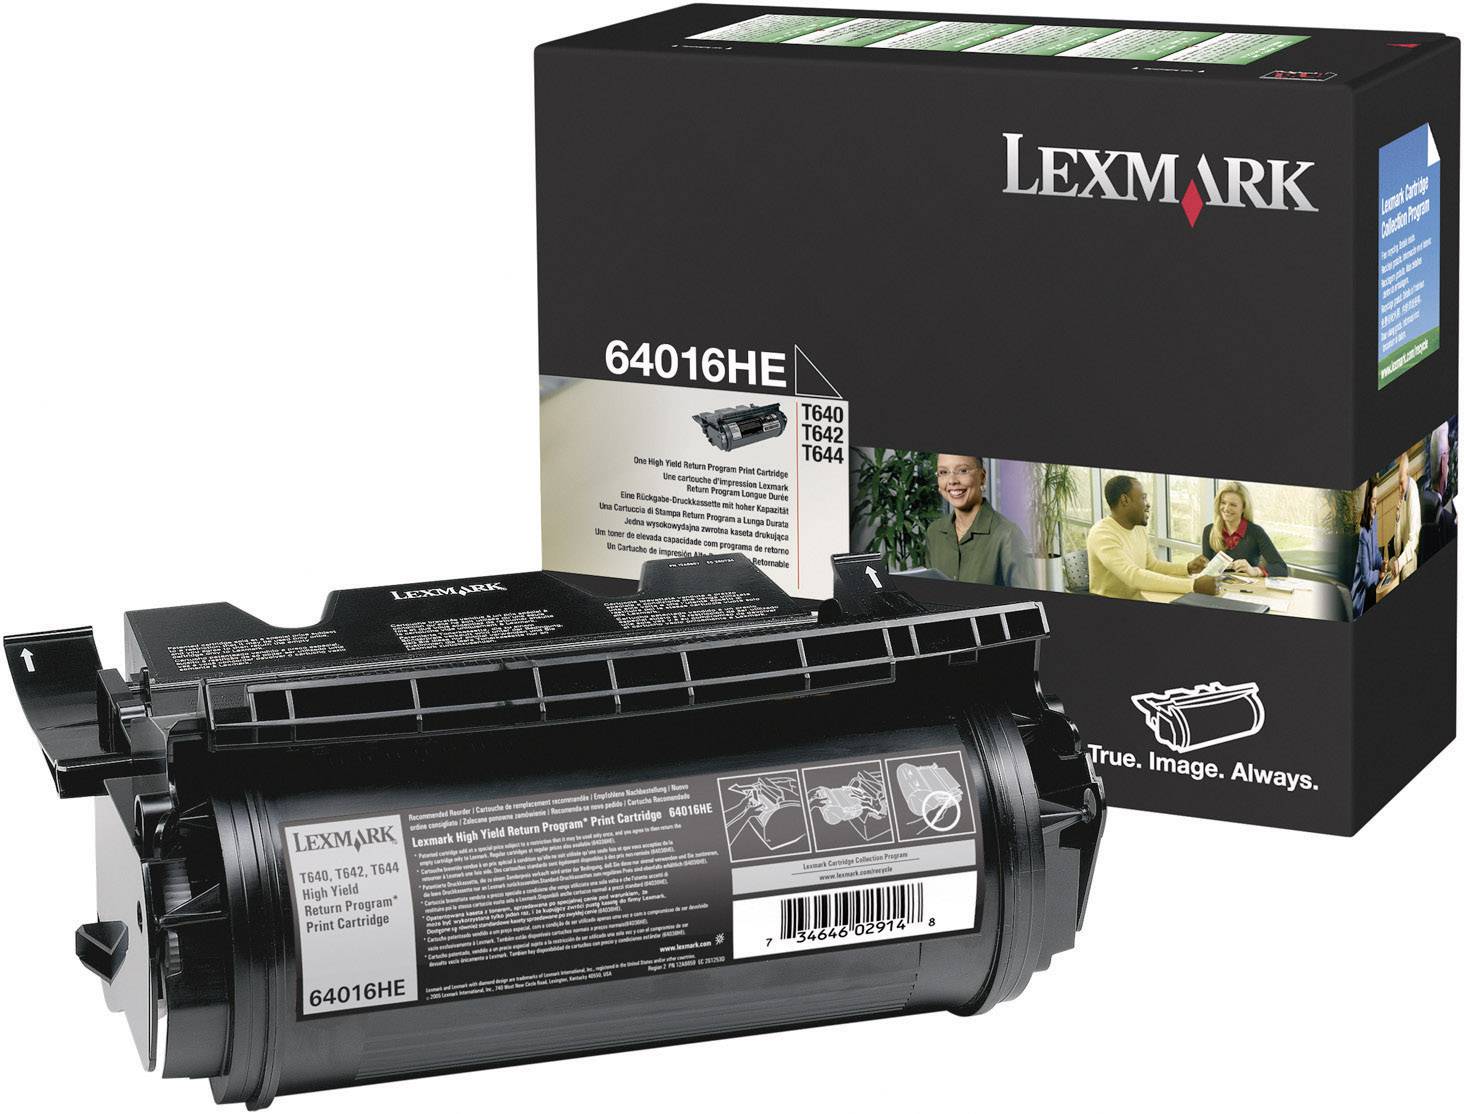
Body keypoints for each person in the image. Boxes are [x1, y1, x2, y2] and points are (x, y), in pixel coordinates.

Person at [1087, 475, 1218, 600]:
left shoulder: (1138, 528)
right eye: (1143, 498)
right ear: (1124, 500)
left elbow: (1152, 566)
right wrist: (1193, 585)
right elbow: (1133, 576)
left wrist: (1187, 568)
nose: (1148, 504)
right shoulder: (1102, 534)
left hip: (1143, 597)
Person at [923, 454, 1034, 587]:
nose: (952, 481)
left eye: (963, 470)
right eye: (943, 472)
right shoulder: (934, 532)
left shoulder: (1008, 534)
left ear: (982, 477)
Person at [1200, 481, 1290, 577]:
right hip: (1217, 585)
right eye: (1223, 503)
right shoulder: (1209, 531)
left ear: (1244, 508)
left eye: (1233, 505)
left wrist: (1254, 570)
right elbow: (1206, 571)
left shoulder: (1256, 532)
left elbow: (1281, 568)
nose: (1226, 508)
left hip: (1249, 586)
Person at [1351, 476, 1383, 619]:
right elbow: (1366, 579)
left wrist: (1382, 563)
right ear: (1367, 501)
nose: (1376, 505)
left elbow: (1375, 553)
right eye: (1373, 501)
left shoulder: (1373, 521)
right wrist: (1379, 575)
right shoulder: (1363, 533)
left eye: (1377, 500)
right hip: (1361, 599)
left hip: (1371, 591)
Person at [1391, 452, 1422, 582]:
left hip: (1412, 552)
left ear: (1407, 476)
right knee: (1392, 562)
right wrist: (1397, 519)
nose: (1400, 489)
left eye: (1401, 483)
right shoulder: (1402, 495)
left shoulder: (1412, 491)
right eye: (1398, 484)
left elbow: (1414, 540)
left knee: (1405, 570)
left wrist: (1400, 562)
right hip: (1403, 551)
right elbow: (1397, 549)